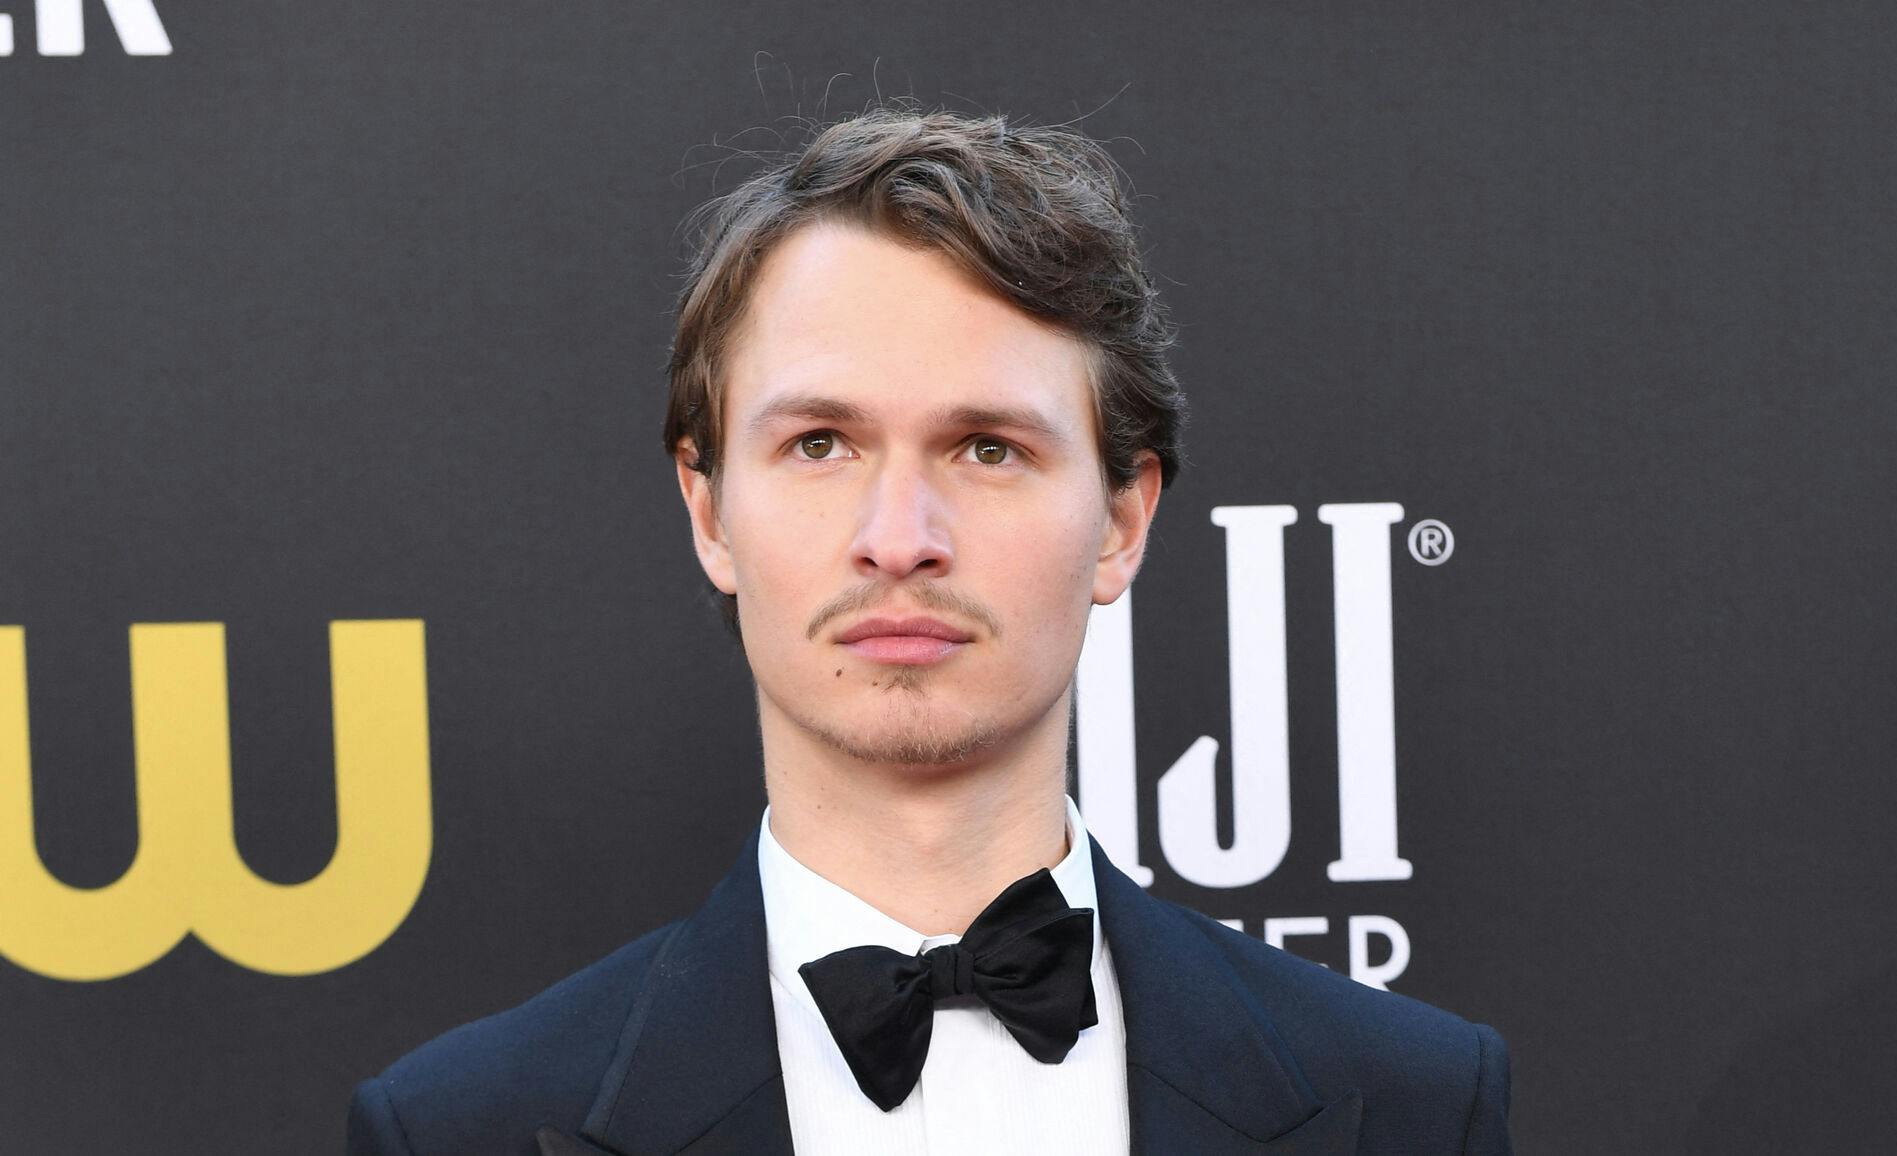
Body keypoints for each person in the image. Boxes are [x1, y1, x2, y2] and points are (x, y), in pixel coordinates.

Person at [347, 105, 1513, 1156]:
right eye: (820, 444)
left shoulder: (1412, 1101)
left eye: (987, 448)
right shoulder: (459, 1130)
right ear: (709, 510)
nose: (899, 537)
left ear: (1120, 519)